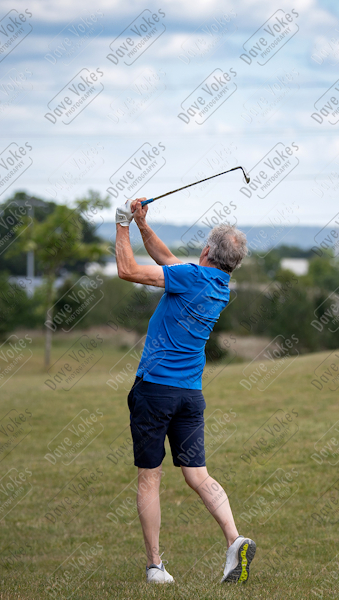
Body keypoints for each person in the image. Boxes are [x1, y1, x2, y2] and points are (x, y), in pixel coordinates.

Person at [114, 198, 255, 584]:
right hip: (189, 397)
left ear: (206, 251)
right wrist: (143, 224)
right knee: (198, 475)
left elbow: (127, 270)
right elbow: (167, 259)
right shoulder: (218, 285)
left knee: (150, 477)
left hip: (155, 392)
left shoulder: (192, 277)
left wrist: (122, 224)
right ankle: (235, 539)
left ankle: (155, 566)